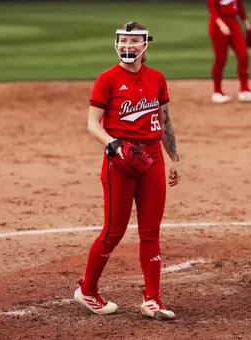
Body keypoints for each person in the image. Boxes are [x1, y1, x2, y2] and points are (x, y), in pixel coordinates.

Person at [73, 21, 182, 321]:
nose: (127, 46)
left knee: (151, 232)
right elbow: (92, 123)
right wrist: (113, 144)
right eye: (123, 41)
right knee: (113, 231)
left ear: (145, 45)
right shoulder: (107, 79)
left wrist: (175, 157)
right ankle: (87, 290)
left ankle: (152, 300)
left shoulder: (157, 78)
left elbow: (164, 121)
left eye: (134, 41)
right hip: (119, 160)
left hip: (152, 159)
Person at [208, 0, 251, 103]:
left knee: (243, 54)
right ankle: (217, 92)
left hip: (233, 22)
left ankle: (245, 90)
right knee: (221, 58)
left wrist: (246, 22)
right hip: (218, 25)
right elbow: (212, 7)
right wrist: (220, 24)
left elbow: (239, 5)